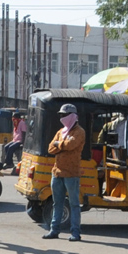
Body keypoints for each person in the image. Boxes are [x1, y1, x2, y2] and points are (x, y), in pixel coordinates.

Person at [43, 102, 85, 242]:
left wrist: (58, 145)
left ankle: (75, 232)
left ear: (72, 116)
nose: (62, 117)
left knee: (74, 204)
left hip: (72, 173)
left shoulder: (79, 132)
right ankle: (54, 230)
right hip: (57, 172)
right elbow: (50, 148)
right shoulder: (61, 132)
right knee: (57, 203)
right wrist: (61, 145)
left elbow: (70, 145)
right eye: (61, 115)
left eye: (65, 115)